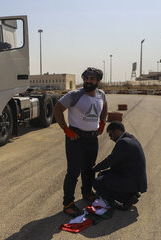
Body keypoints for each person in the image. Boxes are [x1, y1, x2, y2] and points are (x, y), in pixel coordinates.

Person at [53, 67, 108, 217]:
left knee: (89, 168)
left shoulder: (101, 94)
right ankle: (68, 204)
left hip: (92, 138)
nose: (88, 81)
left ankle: (87, 193)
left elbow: (104, 108)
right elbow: (57, 110)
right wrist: (66, 130)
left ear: (97, 81)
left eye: (92, 79)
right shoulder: (74, 95)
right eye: (86, 78)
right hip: (75, 138)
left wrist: (102, 123)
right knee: (73, 172)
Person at [92, 121, 147, 210]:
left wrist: (94, 169)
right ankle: (131, 192)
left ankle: (127, 198)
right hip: (134, 177)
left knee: (97, 183)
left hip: (131, 179)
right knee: (102, 175)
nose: (110, 138)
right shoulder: (130, 137)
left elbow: (110, 161)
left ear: (117, 131)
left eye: (111, 135)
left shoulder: (123, 143)